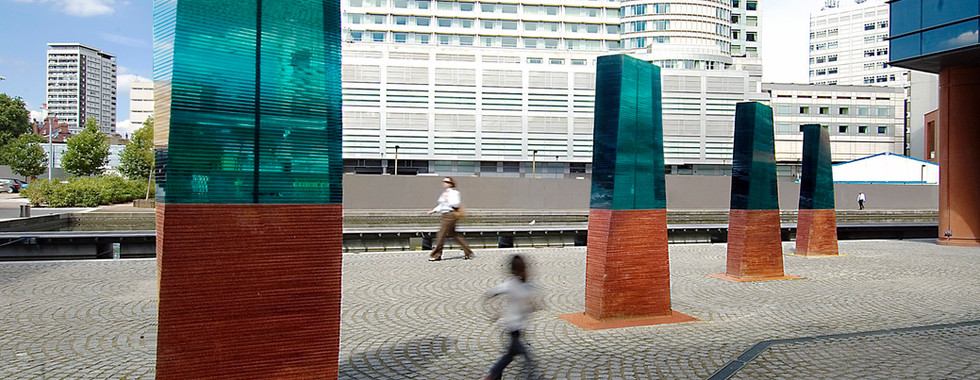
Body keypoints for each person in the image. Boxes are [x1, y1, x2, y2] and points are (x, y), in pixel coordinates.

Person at [481, 255, 539, 380]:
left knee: (509, 356)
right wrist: (494, 311)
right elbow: (493, 292)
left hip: (517, 327)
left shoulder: (525, 285)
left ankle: (493, 375)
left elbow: (526, 305)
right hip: (513, 327)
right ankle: (491, 375)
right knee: (525, 356)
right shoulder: (513, 285)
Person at [427, 177, 473, 261]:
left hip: (450, 215)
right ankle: (468, 252)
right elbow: (441, 205)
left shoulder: (454, 192)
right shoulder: (445, 192)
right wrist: (434, 210)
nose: (444, 183)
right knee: (454, 234)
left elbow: (456, 204)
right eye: (444, 181)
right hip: (445, 214)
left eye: (447, 182)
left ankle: (436, 254)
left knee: (441, 234)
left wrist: (447, 198)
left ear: (451, 183)